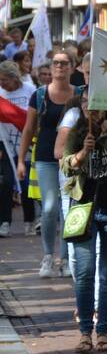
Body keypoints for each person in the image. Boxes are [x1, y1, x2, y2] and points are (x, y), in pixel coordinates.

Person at [61, 90, 107, 354]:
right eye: (85, 103)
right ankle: (84, 333)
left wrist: (105, 126)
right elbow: (66, 164)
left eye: (95, 103)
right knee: (84, 273)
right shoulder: (78, 131)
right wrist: (83, 152)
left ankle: (103, 332)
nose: (89, 108)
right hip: (84, 209)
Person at [17, 49, 79, 278]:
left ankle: (64, 258)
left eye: (64, 63)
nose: (60, 67)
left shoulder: (79, 93)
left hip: (72, 159)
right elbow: (29, 128)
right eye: (56, 63)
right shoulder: (40, 94)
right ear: (51, 67)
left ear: (73, 67)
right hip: (44, 157)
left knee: (67, 209)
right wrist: (21, 161)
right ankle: (47, 256)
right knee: (50, 207)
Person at [0, 62, 35, 238]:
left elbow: (34, 112)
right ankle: (5, 222)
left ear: (14, 78)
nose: (2, 83)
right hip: (6, 143)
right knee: (6, 183)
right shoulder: (0, 94)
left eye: (4, 80)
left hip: (28, 142)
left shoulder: (29, 89)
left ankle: (30, 221)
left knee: (26, 182)